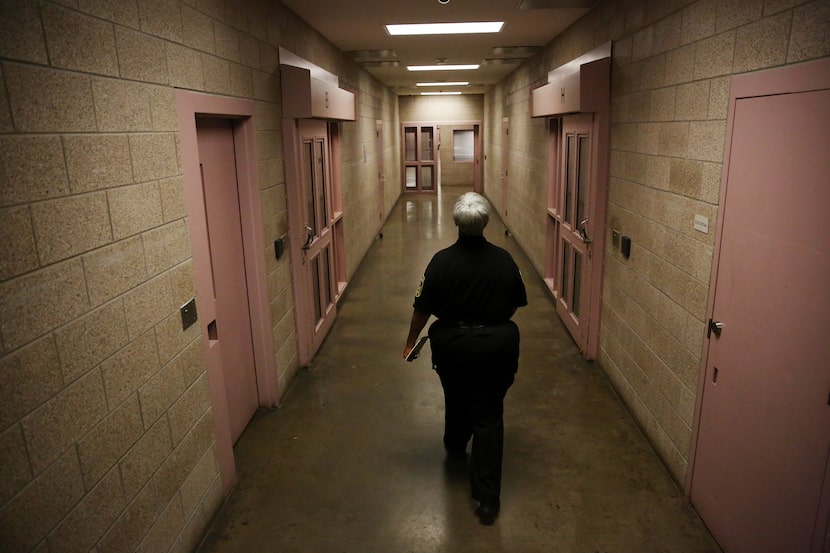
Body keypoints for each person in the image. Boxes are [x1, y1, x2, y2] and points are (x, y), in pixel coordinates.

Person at [403, 192, 528, 525]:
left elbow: (422, 309)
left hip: (453, 345)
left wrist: (410, 342)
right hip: (496, 346)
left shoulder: (440, 262)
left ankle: (456, 443)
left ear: (455, 223)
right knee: (488, 414)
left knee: (456, 395)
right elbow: (515, 303)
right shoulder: (504, 260)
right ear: (485, 222)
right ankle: (487, 499)